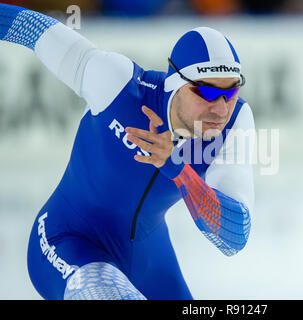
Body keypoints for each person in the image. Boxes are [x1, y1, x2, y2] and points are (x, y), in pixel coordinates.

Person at [0, 3, 255, 300]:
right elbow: (33, 29)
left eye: (231, 91)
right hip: (68, 240)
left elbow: (233, 238)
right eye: (208, 92)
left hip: (148, 259)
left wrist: (179, 169)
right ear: (176, 83)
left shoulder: (235, 124)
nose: (221, 108)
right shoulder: (118, 84)